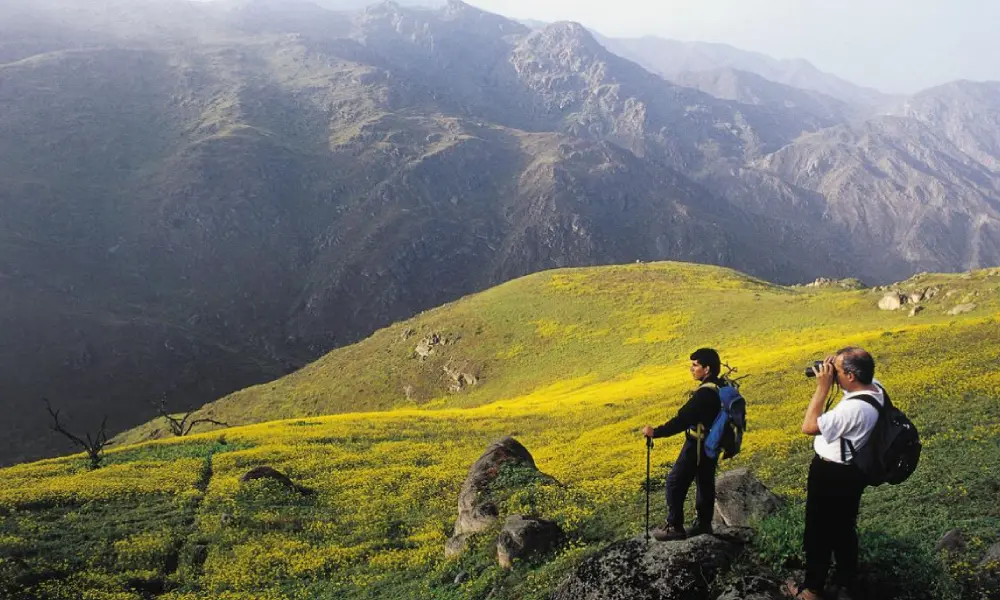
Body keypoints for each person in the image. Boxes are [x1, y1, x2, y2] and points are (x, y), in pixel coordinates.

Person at [783, 347, 884, 600]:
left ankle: (812, 590)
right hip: (852, 473)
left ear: (850, 376)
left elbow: (808, 426)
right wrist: (836, 367)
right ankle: (845, 581)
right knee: (843, 527)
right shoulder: (876, 389)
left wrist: (823, 387)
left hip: (832, 473)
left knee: (818, 532)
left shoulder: (853, 410)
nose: (830, 373)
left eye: (836, 370)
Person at [642, 348, 723, 541]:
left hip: (696, 444)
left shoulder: (704, 394)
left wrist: (655, 432)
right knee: (704, 482)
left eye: (695, 365)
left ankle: (674, 525)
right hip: (712, 443)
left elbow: (682, 420)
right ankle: (703, 525)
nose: (691, 369)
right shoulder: (720, 386)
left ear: (707, 369)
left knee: (675, 482)